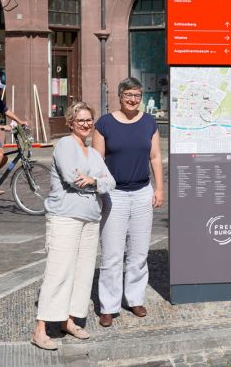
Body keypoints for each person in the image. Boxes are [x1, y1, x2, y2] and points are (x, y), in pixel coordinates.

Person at [31, 102, 116, 351]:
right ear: (70, 123)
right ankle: (40, 329)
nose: (86, 124)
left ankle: (68, 320)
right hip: (65, 216)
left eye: (89, 120)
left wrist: (93, 180)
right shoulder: (65, 145)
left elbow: (111, 182)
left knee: (83, 273)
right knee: (58, 272)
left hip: (90, 218)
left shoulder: (94, 154)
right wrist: (96, 181)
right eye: (81, 120)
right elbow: (72, 178)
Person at [93, 77, 164, 328]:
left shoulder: (149, 122)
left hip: (142, 192)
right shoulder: (105, 123)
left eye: (137, 95)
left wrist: (159, 188)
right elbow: (97, 161)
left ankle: (135, 299)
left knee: (139, 252)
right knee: (112, 254)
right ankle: (108, 306)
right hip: (115, 195)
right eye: (128, 95)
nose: (133, 100)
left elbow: (155, 157)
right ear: (120, 96)